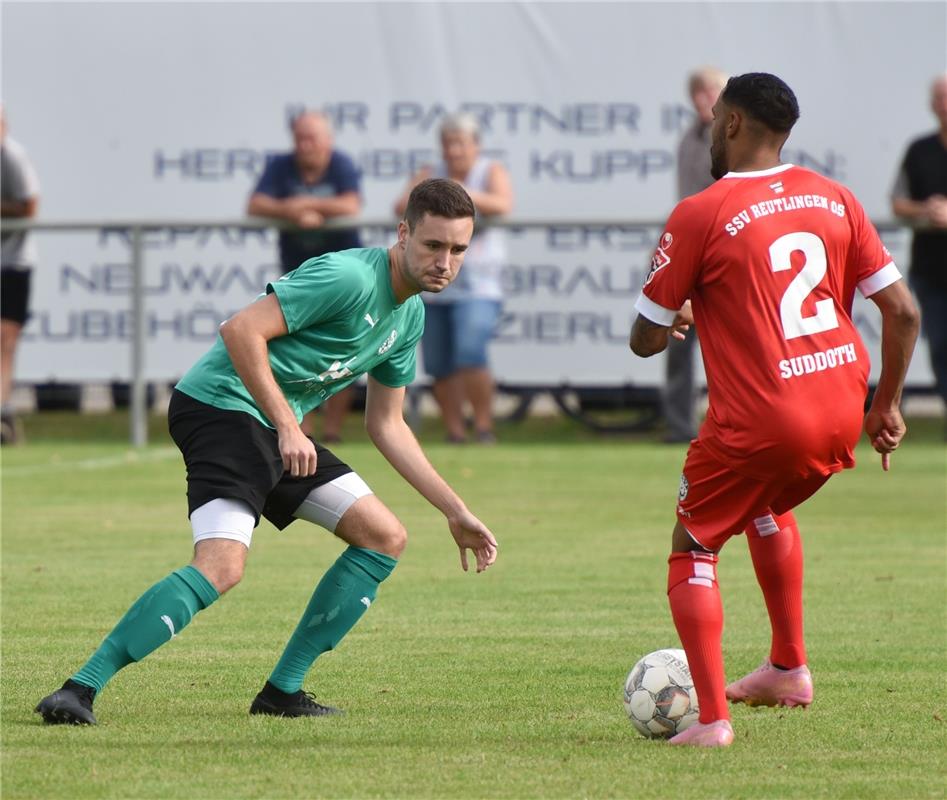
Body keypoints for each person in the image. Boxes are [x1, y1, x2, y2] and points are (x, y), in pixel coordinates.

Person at [35, 178, 499, 725]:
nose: (445, 261)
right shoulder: (349, 276)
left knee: (383, 538)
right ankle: (77, 689)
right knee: (222, 566)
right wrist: (288, 425)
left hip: (272, 427)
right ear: (403, 233)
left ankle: (282, 693)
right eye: (433, 246)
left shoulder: (410, 315)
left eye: (458, 250)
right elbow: (240, 331)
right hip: (220, 407)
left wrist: (455, 509)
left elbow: (387, 424)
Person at [629, 73, 919, 747]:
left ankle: (709, 720)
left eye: (711, 121)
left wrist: (672, 319)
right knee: (765, 505)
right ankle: (787, 668)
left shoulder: (699, 211)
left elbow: (643, 340)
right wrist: (887, 407)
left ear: (729, 123)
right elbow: (901, 311)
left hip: (763, 418)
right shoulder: (833, 196)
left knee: (692, 545)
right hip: (841, 404)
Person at [393, 113, 513, 444]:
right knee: (438, 362)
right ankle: (455, 430)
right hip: (432, 286)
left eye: (460, 143)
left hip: (479, 284)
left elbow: (503, 203)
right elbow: (401, 205)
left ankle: (484, 427)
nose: (454, 151)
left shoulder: (491, 171)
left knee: (470, 352)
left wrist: (451, 193)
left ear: (476, 146)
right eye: (448, 144)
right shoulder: (430, 173)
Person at [247, 109, 363, 443]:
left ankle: (332, 431)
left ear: (328, 141)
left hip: (342, 278)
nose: (305, 145)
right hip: (298, 279)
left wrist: (308, 207)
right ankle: (302, 427)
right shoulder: (281, 164)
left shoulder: (340, 164)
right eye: (300, 138)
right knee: (298, 354)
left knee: (345, 354)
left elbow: (350, 205)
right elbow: (255, 204)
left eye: (311, 138)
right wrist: (292, 211)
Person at [662, 67, 728, 443]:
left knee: (729, 344)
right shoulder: (689, 137)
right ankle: (679, 425)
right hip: (688, 247)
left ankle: (732, 425)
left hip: (721, 249)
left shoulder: (733, 138)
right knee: (676, 336)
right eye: (698, 92)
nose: (703, 98)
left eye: (711, 91)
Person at [890, 73, 947, 412]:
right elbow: (898, 202)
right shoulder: (919, 149)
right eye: (938, 97)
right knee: (940, 346)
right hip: (931, 269)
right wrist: (926, 209)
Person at [1, 105, 41, 445]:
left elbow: (30, 206)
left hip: (12, 263)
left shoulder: (12, 158)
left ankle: (3, 409)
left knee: (5, 338)